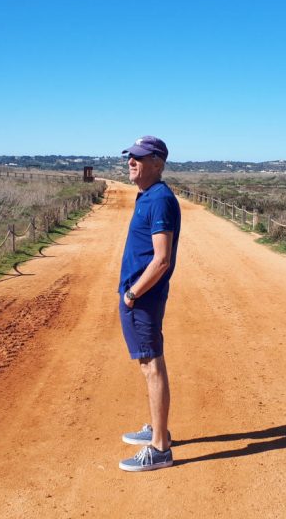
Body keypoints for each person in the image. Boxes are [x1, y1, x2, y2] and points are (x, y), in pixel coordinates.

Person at [117, 136, 181, 472]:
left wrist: (132, 295)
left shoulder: (160, 200)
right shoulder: (147, 195)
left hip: (143, 298)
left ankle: (160, 448)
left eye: (139, 157)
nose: (131, 161)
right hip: (138, 296)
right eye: (130, 156)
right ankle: (157, 431)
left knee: (152, 365)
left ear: (158, 162)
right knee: (147, 364)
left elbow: (161, 260)